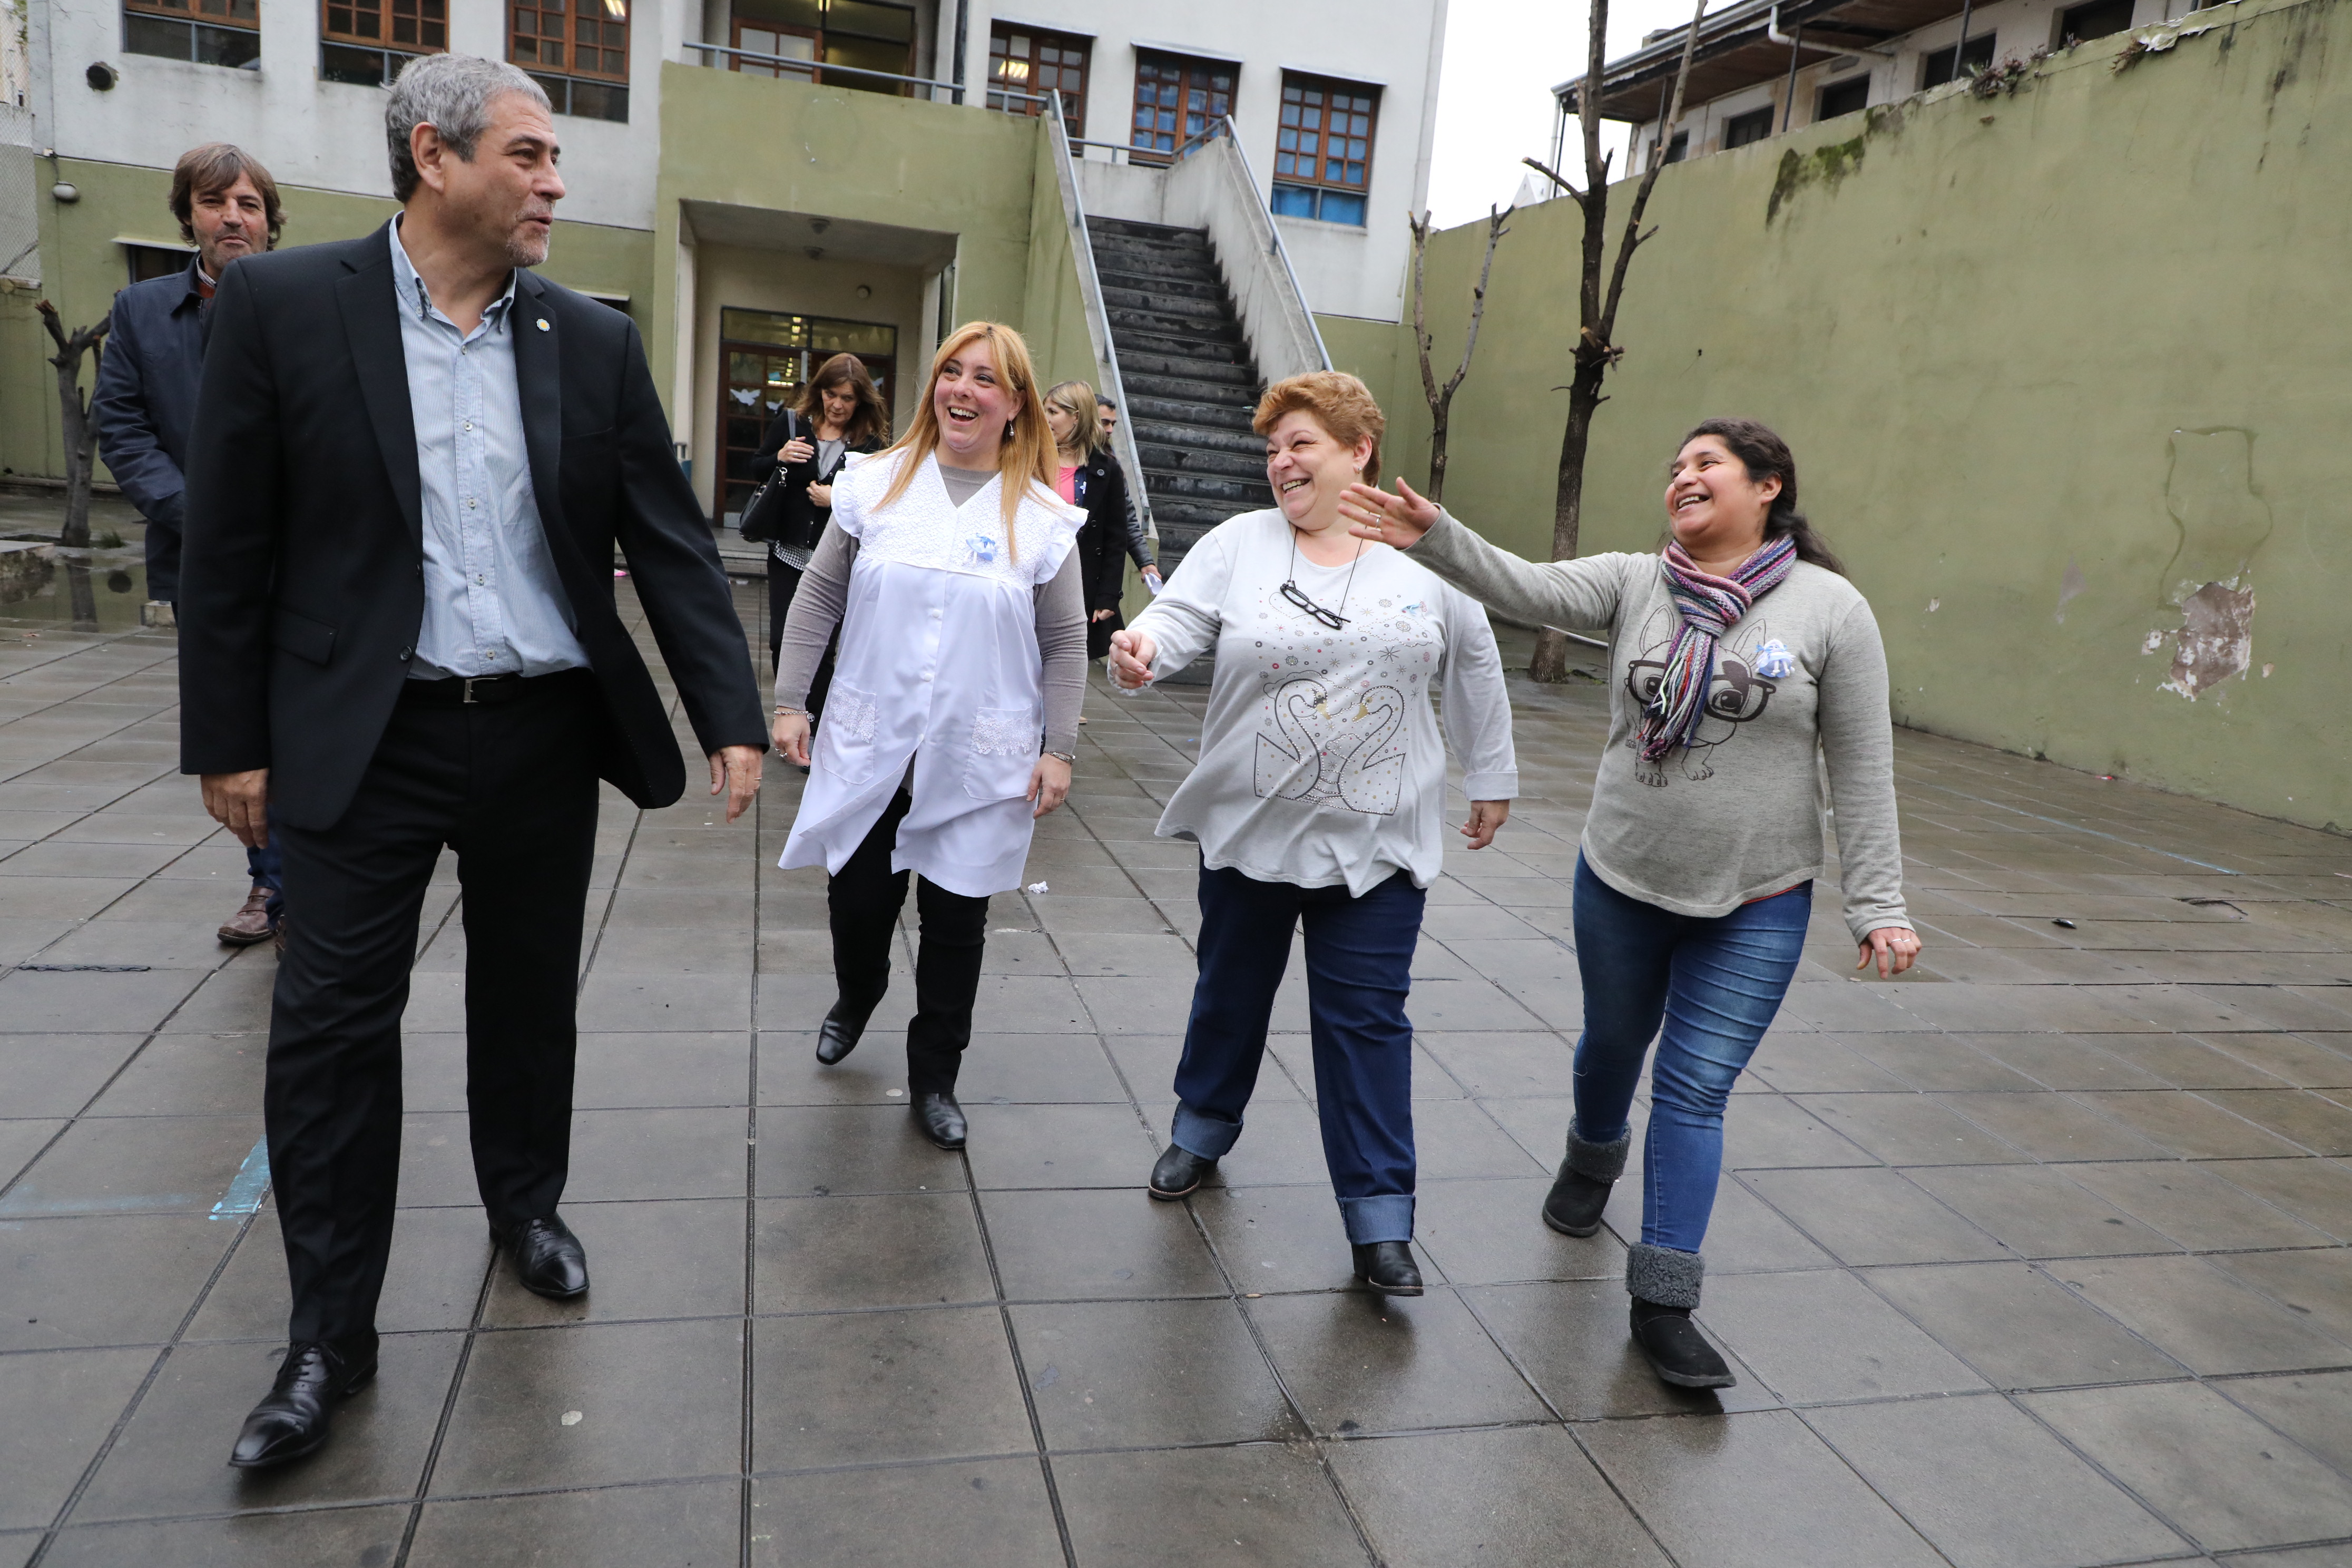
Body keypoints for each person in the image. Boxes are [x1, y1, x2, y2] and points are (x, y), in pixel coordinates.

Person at [178, 55, 767, 1469]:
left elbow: (671, 541)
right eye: (529, 154)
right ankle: (331, 1338)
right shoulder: (281, 307)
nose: (554, 181)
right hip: (359, 736)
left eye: (555, 158)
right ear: (434, 158)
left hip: (538, 732)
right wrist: (228, 740)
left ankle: (525, 1205)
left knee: (525, 1000)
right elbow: (231, 543)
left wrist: (730, 711)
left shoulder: (588, 336)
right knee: (329, 1031)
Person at [1339, 417, 1919, 1386]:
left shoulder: (1830, 611)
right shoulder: (1634, 580)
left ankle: (1662, 1300)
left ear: (1767, 485)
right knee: (1611, 1044)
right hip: (1619, 874)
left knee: (1693, 1089)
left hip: (1756, 895)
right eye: (1675, 467)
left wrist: (1879, 904)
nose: (1681, 478)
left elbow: (1860, 765)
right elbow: (1525, 586)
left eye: (1705, 464)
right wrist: (1435, 536)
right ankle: (1590, 1154)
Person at [1108, 370, 1517, 1297]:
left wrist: (1491, 776)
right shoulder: (1239, 544)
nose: (1279, 462)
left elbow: (1475, 661)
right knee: (1229, 995)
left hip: (1376, 845)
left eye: (1300, 443)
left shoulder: (1422, 551)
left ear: (1357, 450)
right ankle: (1200, 1131)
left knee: (1365, 1024)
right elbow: (1173, 621)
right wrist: (1140, 652)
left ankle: (1379, 1220)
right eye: (1272, 449)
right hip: (1252, 833)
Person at [771, 323, 1086, 1152]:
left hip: (983, 754)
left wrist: (1061, 747)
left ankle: (936, 1075)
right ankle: (858, 991)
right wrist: (789, 701)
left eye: (985, 379)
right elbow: (818, 600)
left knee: (956, 926)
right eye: (952, 372)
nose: (963, 390)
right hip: (872, 741)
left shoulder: (1044, 517)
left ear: (1015, 404)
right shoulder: (877, 485)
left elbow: (1064, 643)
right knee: (857, 903)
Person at [91, 143, 289, 949]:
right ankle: (266, 883)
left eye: (248, 204)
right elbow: (123, 428)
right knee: (235, 728)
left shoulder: (306, 304)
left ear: (271, 222)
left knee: (306, 723)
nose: (232, 218)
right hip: (201, 560)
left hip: (304, 557)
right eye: (215, 204)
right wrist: (199, 515)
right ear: (189, 217)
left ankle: (299, 885)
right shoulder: (140, 313)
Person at [746, 352, 889, 691]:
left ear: (860, 400)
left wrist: (835, 499)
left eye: (847, 398)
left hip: (836, 562)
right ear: (819, 391)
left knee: (823, 651)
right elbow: (755, 467)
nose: (837, 405)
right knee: (782, 642)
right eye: (830, 394)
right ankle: (788, 711)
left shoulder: (870, 444)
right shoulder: (793, 424)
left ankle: (813, 727)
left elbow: (880, 503)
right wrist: (779, 457)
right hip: (787, 556)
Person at [1042, 379, 1133, 661]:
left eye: (1053, 412)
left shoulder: (1107, 470)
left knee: (1065, 663)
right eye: (1044, 411)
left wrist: (1109, 595)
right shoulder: (1030, 459)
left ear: (1076, 417)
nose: (1045, 419)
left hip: (1078, 584)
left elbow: (1116, 538)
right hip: (1031, 580)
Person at [1094, 393, 1161, 595]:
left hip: (1098, 570)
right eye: (1105, 423)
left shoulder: (1110, 463)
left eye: (1113, 424)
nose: (1110, 430)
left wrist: (1146, 562)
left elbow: (1127, 517)